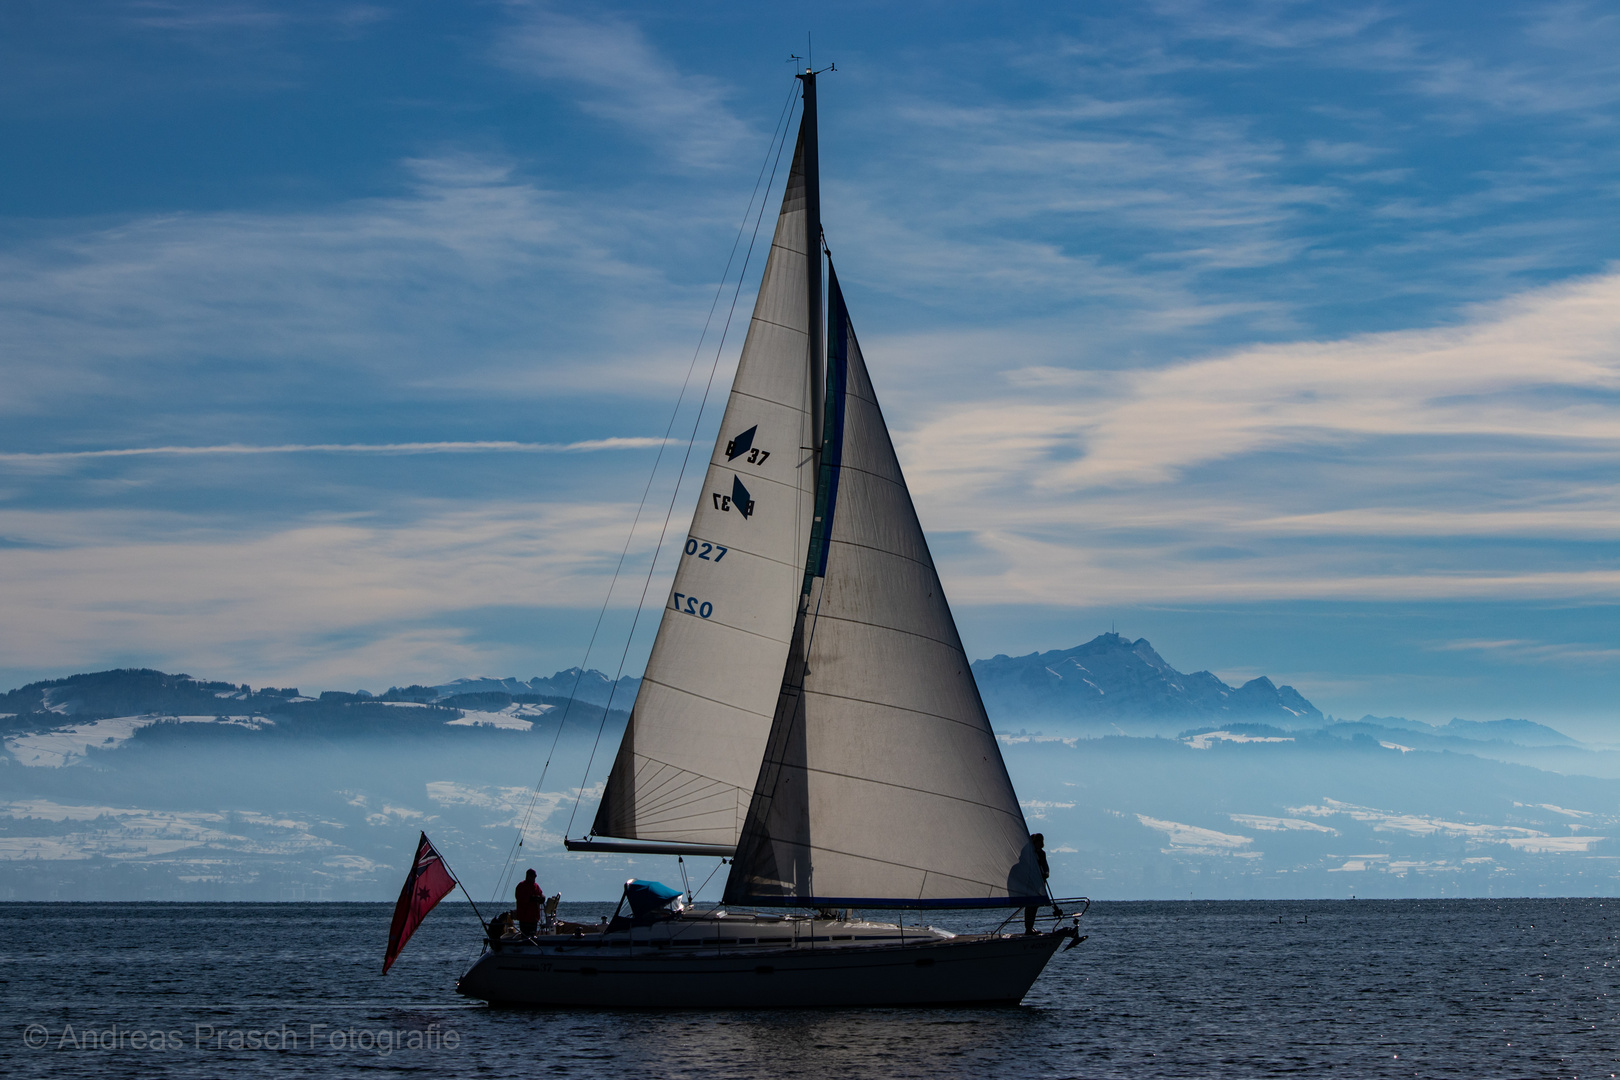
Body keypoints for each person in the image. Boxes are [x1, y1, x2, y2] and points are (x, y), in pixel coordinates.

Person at [1024, 833, 1050, 935]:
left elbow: (1045, 866)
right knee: (1030, 906)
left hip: (1039, 883)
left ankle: (1030, 927)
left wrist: (1046, 874)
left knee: (1035, 906)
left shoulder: (1042, 854)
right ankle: (1028, 928)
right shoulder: (1029, 853)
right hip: (1030, 884)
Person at [515, 868, 544, 938]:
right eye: (533, 877)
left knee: (533, 936)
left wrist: (542, 898)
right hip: (525, 918)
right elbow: (520, 898)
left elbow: (541, 894)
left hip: (534, 918)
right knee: (525, 936)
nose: (534, 878)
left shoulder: (536, 886)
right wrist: (532, 898)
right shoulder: (521, 886)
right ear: (528, 876)